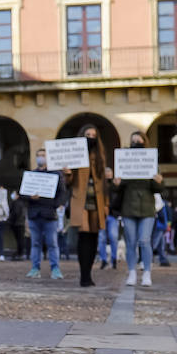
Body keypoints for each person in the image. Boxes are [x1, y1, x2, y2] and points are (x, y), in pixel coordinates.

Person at [115, 131, 163, 287]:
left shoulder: (151, 162)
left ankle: (147, 272)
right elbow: (117, 188)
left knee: (144, 240)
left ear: (144, 142)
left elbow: (158, 189)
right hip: (129, 208)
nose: (136, 142)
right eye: (133, 140)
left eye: (139, 140)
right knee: (131, 242)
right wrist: (116, 183)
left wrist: (159, 181)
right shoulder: (124, 161)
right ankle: (132, 272)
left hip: (147, 208)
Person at [68, 123, 112, 287]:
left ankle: (89, 273)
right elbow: (69, 182)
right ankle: (84, 275)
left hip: (98, 202)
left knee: (94, 237)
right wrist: (67, 173)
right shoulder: (75, 155)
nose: (91, 138)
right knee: (83, 236)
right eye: (88, 135)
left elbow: (105, 185)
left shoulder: (100, 155)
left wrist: (107, 204)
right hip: (81, 202)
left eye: (94, 136)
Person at [24, 149, 65, 280]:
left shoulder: (56, 174)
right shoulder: (31, 175)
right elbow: (23, 194)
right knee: (35, 243)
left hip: (49, 214)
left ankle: (55, 269)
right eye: (38, 156)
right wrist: (31, 197)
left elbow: (62, 192)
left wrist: (55, 204)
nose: (40, 158)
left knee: (52, 243)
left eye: (43, 156)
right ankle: (35, 268)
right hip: (34, 214)